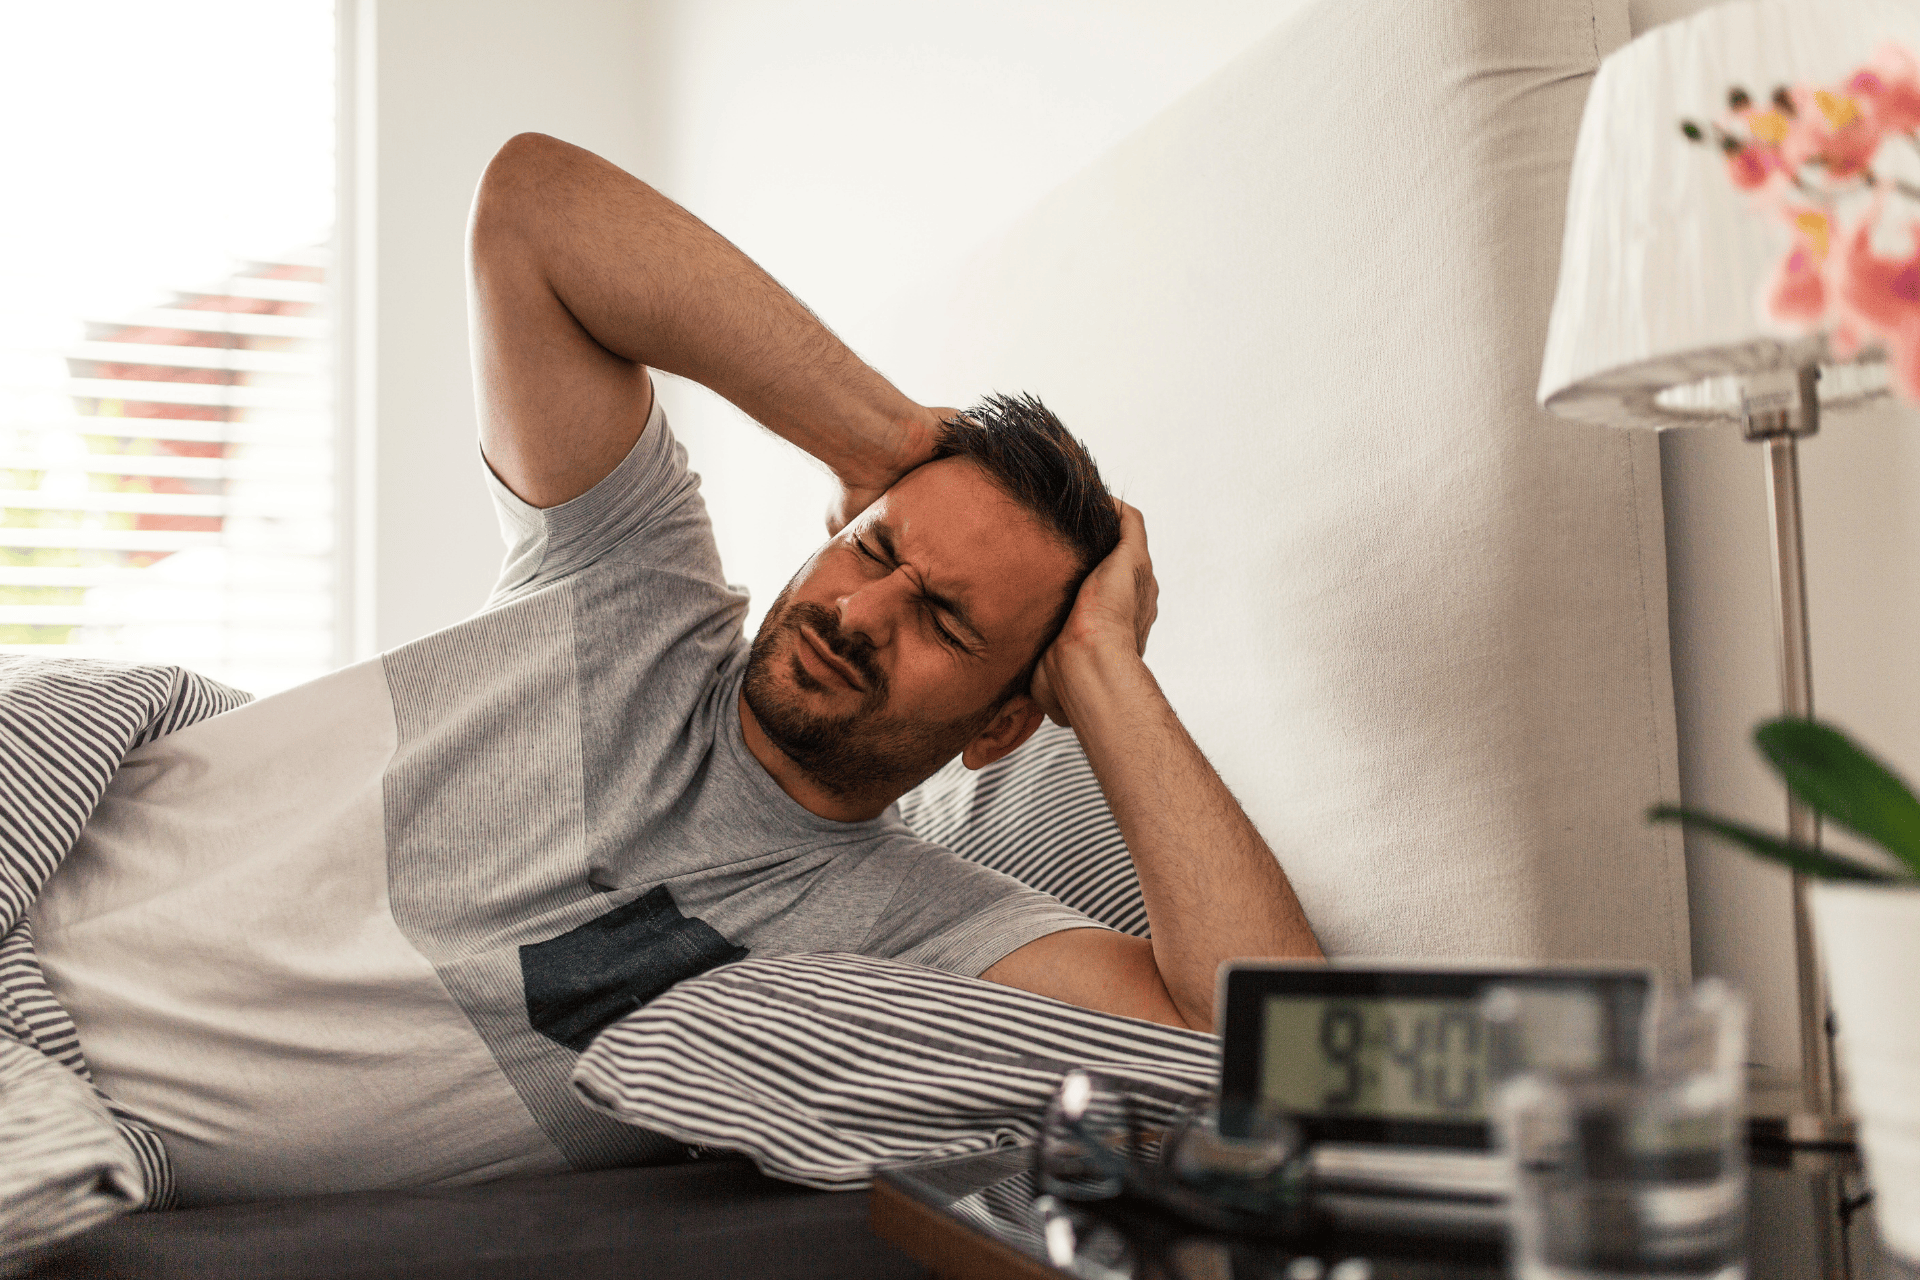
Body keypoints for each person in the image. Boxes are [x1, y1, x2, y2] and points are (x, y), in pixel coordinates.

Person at [30, 133, 1319, 1207]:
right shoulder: (627, 589)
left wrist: (1105, 675)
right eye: (874, 548)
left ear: (1000, 726)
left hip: (51, 1111)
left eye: (944, 621)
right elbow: (533, 206)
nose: (863, 608)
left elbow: (1292, 1069)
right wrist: (886, 439)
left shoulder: (925, 930)